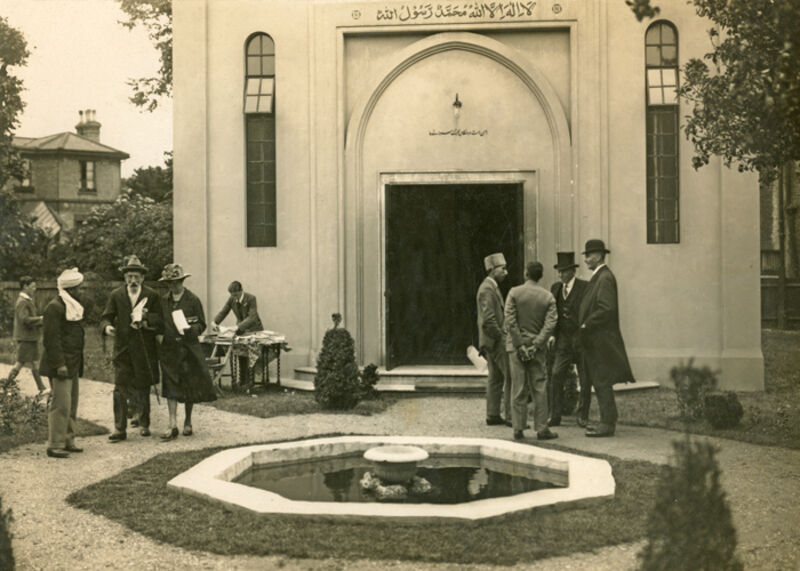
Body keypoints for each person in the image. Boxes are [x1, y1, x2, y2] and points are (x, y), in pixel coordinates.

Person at [100, 255, 163, 442]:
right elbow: (106, 317)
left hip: (144, 348)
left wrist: (146, 320)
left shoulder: (152, 295)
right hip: (123, 349)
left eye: (136, 276)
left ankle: (144, 423)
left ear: (142, 278)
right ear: (124, 277)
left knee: (143, 386)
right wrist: (107, 328)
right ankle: (119, 428)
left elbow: (160, 319)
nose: (133, 280)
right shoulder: (116, 295)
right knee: (120, 388)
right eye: (129, 276)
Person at [577, 239, 636, 437]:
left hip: (601, 340)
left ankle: (607, 424)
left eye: (589, 255)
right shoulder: (600, 277)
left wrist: (587, 323)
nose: (586, 259)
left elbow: (606, 308)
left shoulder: (604, 278)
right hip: (596, 339)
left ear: (599, 256)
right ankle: (607, 421)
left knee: (601, 381)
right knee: (599, 381)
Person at [157, 263, 216, 441]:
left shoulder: (192, 300)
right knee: (170, 385)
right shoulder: (163, 301)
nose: (173, 286)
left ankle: (188, 421)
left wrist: (191, 330)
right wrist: (160, 338)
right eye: (170, 283)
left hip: (187, 349)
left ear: (182, 281)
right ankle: (172, 423)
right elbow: (159, 322)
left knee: (189, 384)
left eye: (176, 282)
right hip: (169, 349)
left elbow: (201, 323)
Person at [504, 261, 558, 441]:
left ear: (526, 273)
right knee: (539, 387)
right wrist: (536, 344)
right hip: (537, 349)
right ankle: (542, 429)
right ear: (540, 275)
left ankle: (518, 428)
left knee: (518, 387)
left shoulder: (514, 293)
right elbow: (551, 323)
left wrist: (520, 345)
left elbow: (510, 321)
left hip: (516, 348)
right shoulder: (548, 297)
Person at [39, 268, 86, 459]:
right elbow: (51, 339)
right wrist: (60, 364)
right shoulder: (55, 307)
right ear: (71, 289)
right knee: (61, 405)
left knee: (71, 404)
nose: (81, 291)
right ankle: (55, 444)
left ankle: (68, 440)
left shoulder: (72, 306)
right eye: (79, 288)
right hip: (61, 365)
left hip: (72, 363)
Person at [547, 252, 589, 427]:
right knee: (556, 374)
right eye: (559, 271)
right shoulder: (556, 288)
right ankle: (555, 415)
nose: (560, 274)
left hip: (581, 339)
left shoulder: (584, 287)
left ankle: (582, 416)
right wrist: (552, 334)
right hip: (563, 340)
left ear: (573, 271)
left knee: (585, 378)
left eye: (564, 271)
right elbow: (552, 313)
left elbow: (589, 310)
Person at [476, 252, 512, 426]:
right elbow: (489, 319)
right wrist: (501, 337)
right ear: (492, 269)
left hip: (490, 341)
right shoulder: (487, 289)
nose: (506, 272)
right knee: (510, 376)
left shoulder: (490, 287)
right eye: (502, 269)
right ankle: (512, 417)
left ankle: (493, 414)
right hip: (495, 341)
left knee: (495, 378)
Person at [210, 280, 263, 386]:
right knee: (241, 353)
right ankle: (242, 381)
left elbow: (252, 317)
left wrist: (238, 327)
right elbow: (224, 311)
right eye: (232, 295)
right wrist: (215, 322)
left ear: (241, 291)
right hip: (240, 330)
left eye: (236, 295)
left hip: (254, 329)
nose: (234, 297)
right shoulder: (232, 299)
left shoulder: (251, 298)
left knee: (251, 354)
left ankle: (250, 381)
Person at [7, 276, 49, 395]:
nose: (34, 289)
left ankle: (41, 388)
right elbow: (24, 319)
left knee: (31, 362)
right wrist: (41, 319)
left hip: (30, 337)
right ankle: (6, 386)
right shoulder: (22, 302)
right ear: (25, 286)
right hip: (26, 337)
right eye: (32, 286)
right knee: (22, 362)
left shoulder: (27, 300)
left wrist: (39, 321)